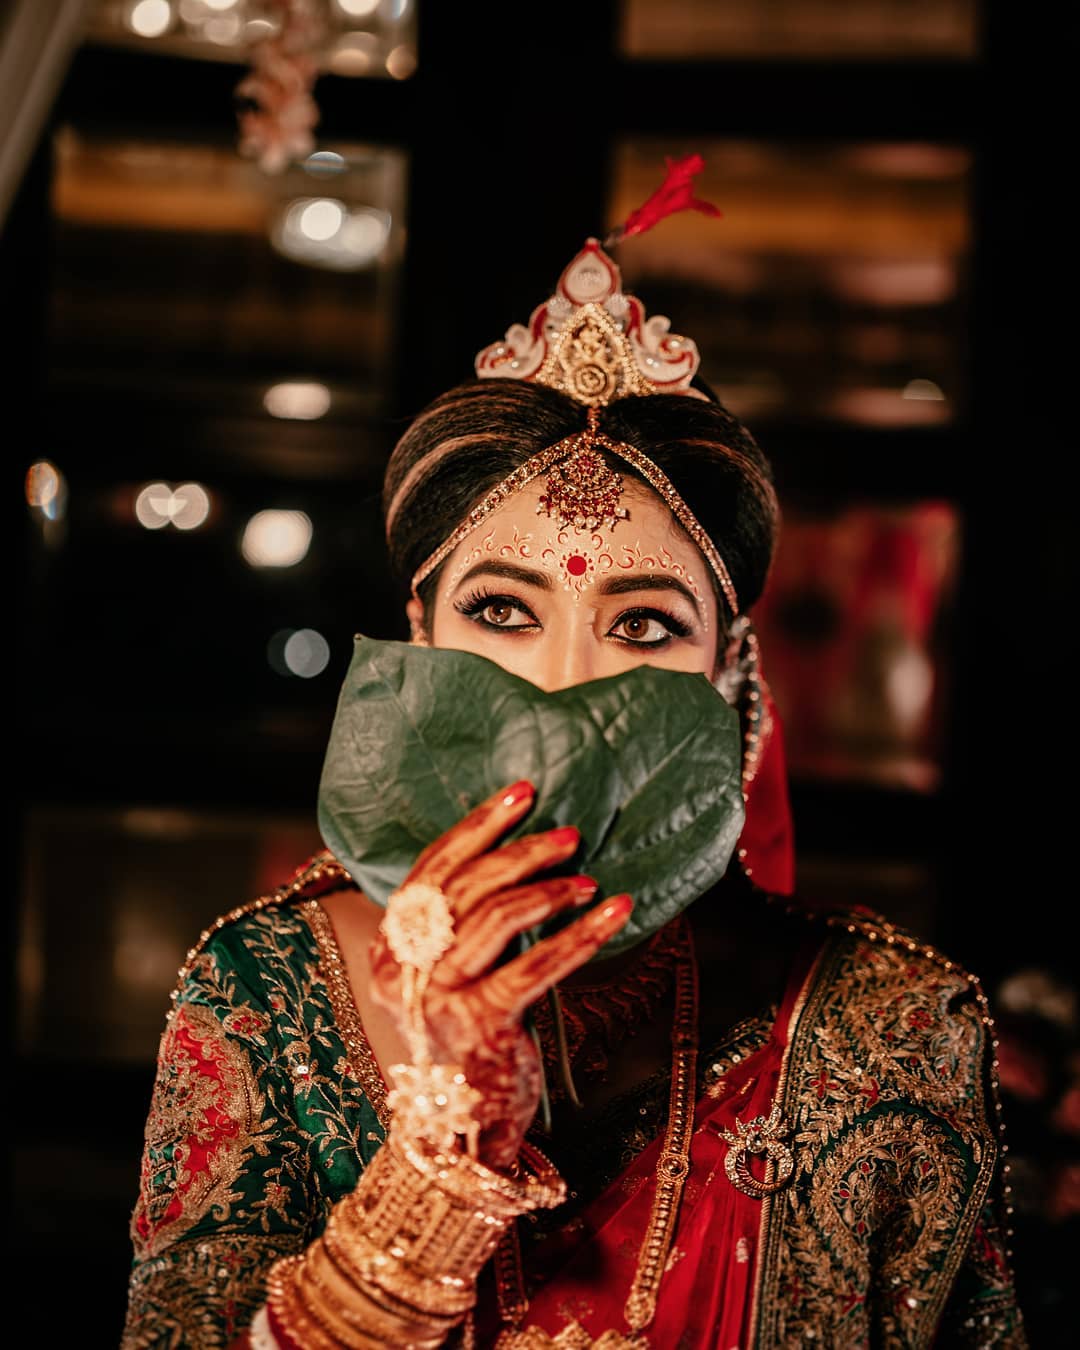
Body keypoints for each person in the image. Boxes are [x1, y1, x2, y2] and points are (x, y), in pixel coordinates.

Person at [121, 159, 1026, 1349]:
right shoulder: (266, 996)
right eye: (503, 612)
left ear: (729, 680)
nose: (564, 682)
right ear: (418, 643)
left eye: (644, 626)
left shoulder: (887, 1026)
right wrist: (438, 1166)